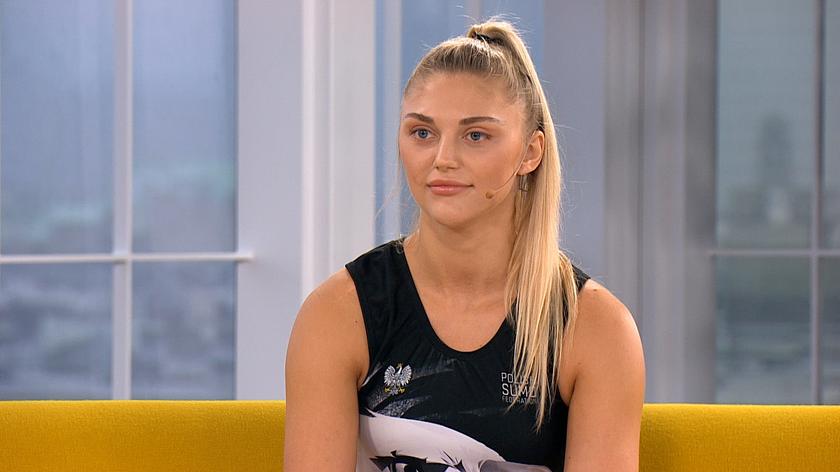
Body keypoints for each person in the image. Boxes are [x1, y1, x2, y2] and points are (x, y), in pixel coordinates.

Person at [284, 20, 645, 472]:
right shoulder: (339, 312)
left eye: (476, 135)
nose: (443, 159)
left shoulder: (595, 328)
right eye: (422, 132)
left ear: (530, 152)